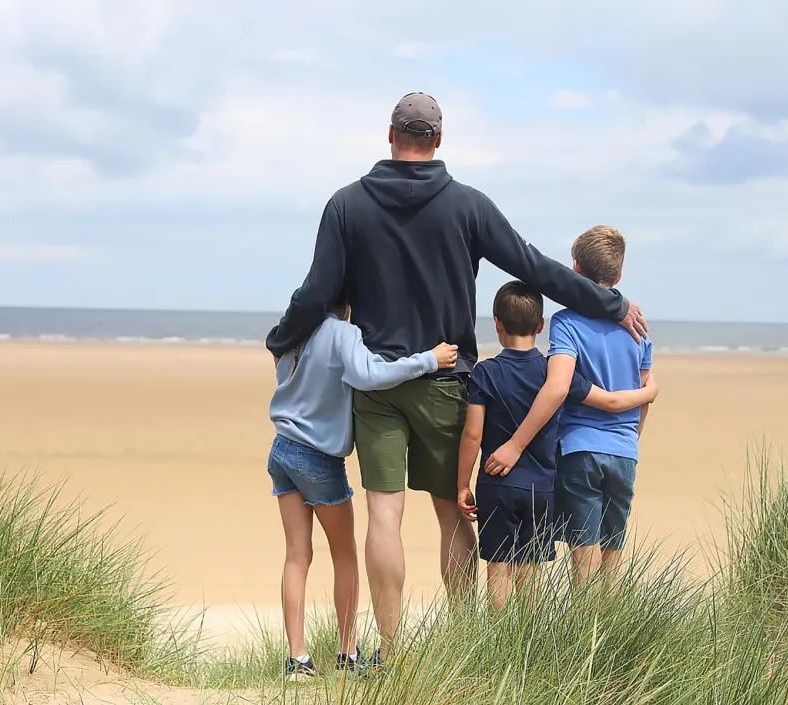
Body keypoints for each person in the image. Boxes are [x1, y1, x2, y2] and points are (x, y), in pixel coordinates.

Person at [265, 92, 648, 667]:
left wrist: (281, 338)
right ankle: (469, 645)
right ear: (439, 140)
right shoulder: (467, 205)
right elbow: (534, 266)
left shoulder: (346, 205)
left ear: (389, 134)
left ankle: (391, 655)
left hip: (378, 386)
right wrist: (608, 303)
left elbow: (317, 294)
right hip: (450, 381)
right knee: (452, 512)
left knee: (384, 514)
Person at [267, 294, 458, 679]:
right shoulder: (341, 332)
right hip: (319, 458)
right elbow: (368, 374)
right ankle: (347, 653)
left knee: (296, 557)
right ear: (349, 301)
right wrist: (428, 360)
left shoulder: (292, 333)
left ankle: (297, 660)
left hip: (282, 450)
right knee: (345, 556)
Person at [456, 281, 658, 610]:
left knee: (498, 569)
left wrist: (463, 483)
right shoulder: (555, 373)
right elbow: (607, 400)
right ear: (540, 326)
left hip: (496, 483)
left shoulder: (485, 372)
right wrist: (648, 394)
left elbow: (472, 435)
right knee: (531, 571)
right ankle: (529, 644)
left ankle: (497, 644)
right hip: (542, 486)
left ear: (497, 323)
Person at [483, 226, 653, 585]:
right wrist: (631, 439)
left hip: (580, 451)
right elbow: (644, 393)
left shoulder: (566, 322)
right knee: (613, 558)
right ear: (619, 275)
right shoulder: (638, 328)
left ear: (574, 270)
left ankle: (582, 636)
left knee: (584, 561)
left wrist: (515, 445)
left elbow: (558, 386)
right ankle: (610, 636)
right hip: (625, 451)